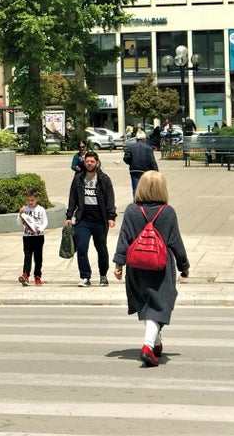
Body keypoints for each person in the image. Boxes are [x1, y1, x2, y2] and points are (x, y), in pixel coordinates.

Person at [113, 171, 190, 367]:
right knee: (160, 305)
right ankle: (148, 346)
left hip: (137, 266)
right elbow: (175, 241)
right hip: (161, 267)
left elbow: (124, 238)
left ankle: (156, 343)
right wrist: (183, 265)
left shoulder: (131, 210)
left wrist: (119, 263)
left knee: (149, 305)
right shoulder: (168, 212)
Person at [65, 150, 117, 287]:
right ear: (84, 162)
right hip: (83, 219)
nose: (89, 164)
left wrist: (111, 216)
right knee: (81, 248)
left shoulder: (104, 179)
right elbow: (73, 198)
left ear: (97, 163)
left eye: (92, 161)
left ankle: (103, 275)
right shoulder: (78, 178)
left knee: (101, 248)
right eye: (87, 161)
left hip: (100, 220)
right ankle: (85, 276)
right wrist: (69, 215)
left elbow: (110, 199)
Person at [17, 187, 47, 286]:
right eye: (28, 200)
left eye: (32, 200)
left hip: (38, 236)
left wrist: (40, 229)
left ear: (37, 199)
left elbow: (45, 222)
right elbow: (19, 223)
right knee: (27, 256)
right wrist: (20, 214)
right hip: (27, 236)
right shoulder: (24, 209)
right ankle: (25, 275)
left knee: (38, 257)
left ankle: (37, 276)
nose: (30, 202)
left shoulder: (41, 210)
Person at [123, 131, 159, 198]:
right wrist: (156, 171)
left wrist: (131, 162)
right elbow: (152, 161)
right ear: (144, 139)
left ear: (136, 139)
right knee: (146, 189)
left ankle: (136, 204)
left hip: (134, 170)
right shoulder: (148, 148)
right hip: (145, 171)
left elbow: (126, 158)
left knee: (135, 189)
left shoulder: (131, 147)